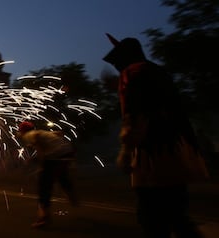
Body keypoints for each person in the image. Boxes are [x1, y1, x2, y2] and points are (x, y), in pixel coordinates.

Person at [103, 34, 209, 238]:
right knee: (176, 213)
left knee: (151, 215)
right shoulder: (155, 71)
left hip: (154, 152)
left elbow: (136, 114)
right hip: (178, 148)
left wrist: (126, 150)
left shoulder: (132, 73)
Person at [16, 121, 78, 228]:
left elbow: (37, 140)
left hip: (54, 156)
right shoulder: (42, 132)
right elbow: (59, 133)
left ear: (23, 131)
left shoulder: (29, 135)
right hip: (67, 153)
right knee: (60, 174)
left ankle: (43, 218)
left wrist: (42, 164)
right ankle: (70, 193)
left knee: (44, 186)